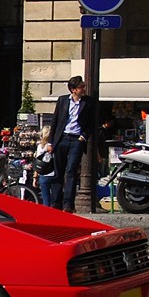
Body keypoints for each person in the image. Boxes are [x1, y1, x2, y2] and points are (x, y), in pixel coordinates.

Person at [50, 75, 95, 212]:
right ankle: (55, 203)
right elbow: (55, 121)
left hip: (76, 139)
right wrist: (51, 142)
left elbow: (92, 122)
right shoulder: (63, 100)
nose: (84, 89)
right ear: (73, 90)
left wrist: (84, 136)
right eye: (81, 87)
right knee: (58, 172)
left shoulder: (88, 102)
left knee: (71, 171)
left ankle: (68, 204)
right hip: (62, 138)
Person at [35, 125, 56, 206]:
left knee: (45, 198)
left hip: (43, 174)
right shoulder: (55, 145)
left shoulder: (40, 146)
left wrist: (35, 177)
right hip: (54, 173)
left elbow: (38, 163)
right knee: (56, 198)